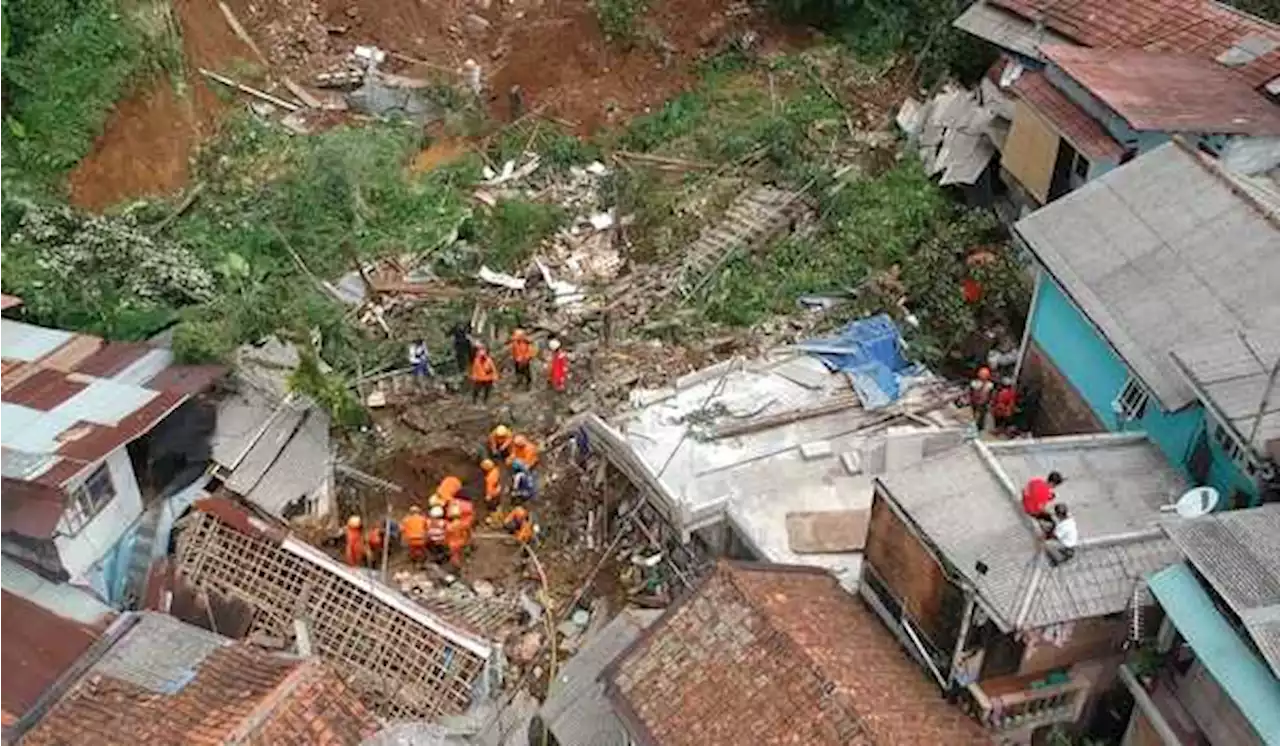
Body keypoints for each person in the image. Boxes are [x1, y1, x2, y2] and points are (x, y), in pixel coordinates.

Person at [969, 367, 995, 431]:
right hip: (979, 402)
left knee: (980, 415)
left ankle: (978, 426)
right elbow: (971, 393)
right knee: (978, 415)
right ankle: (977, 426)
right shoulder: (989, 385)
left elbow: (991, 395)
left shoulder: (989, 385)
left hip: (982, 402)